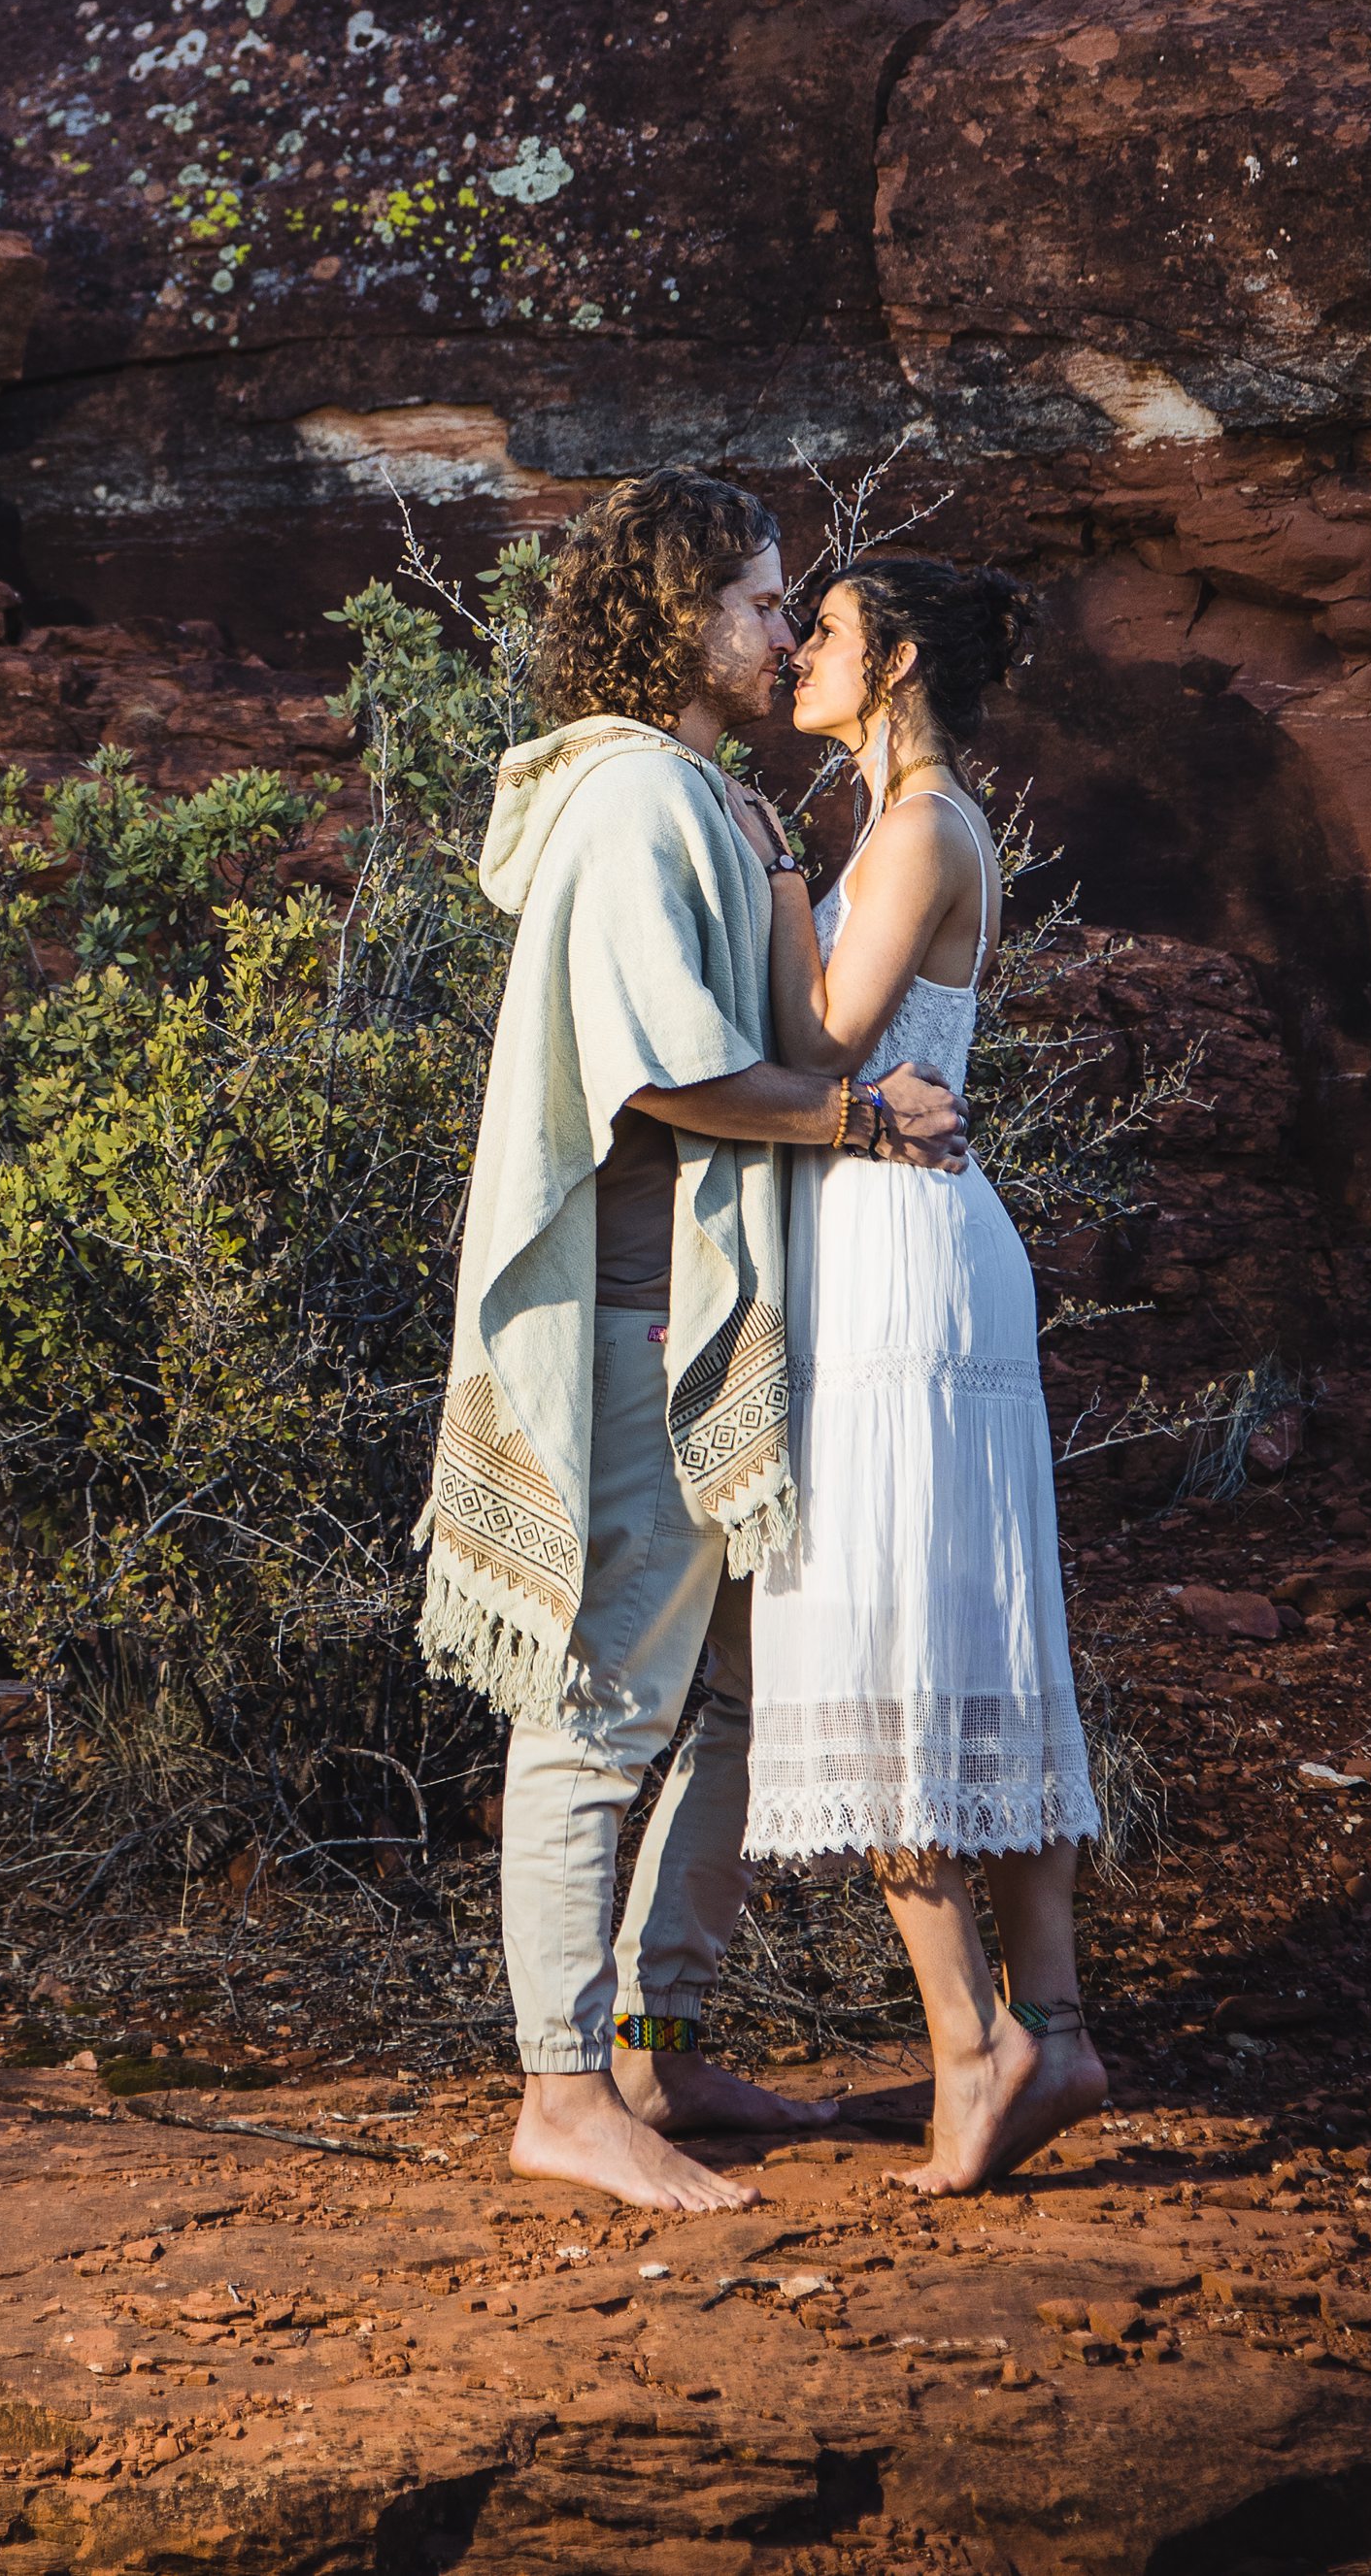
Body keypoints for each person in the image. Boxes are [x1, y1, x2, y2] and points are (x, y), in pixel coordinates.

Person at [416, 472, 971, 2219]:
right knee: (601, 1704)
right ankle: (562, 2092)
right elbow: (656, 1068)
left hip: (715, 1311)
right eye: (755, 599)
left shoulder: (705, 798)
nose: (784, 629)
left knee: (734, 1699)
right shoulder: (632, 799)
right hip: (645, 1314)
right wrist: (863, 1128)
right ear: (677, 618)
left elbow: (776, 1014)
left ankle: (659, 2039)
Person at [749, 554, 1108, 2193]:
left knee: (886, 1639)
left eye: (821, 631)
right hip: (916, 1249)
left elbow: (826, 1038)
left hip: (899, 1268)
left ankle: (972, 2050)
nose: (794, 652)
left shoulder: (913, 829)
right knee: (968, 1646)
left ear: (892, 660)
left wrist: (760, 878)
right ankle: (1060, 2031)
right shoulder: (922, 825)